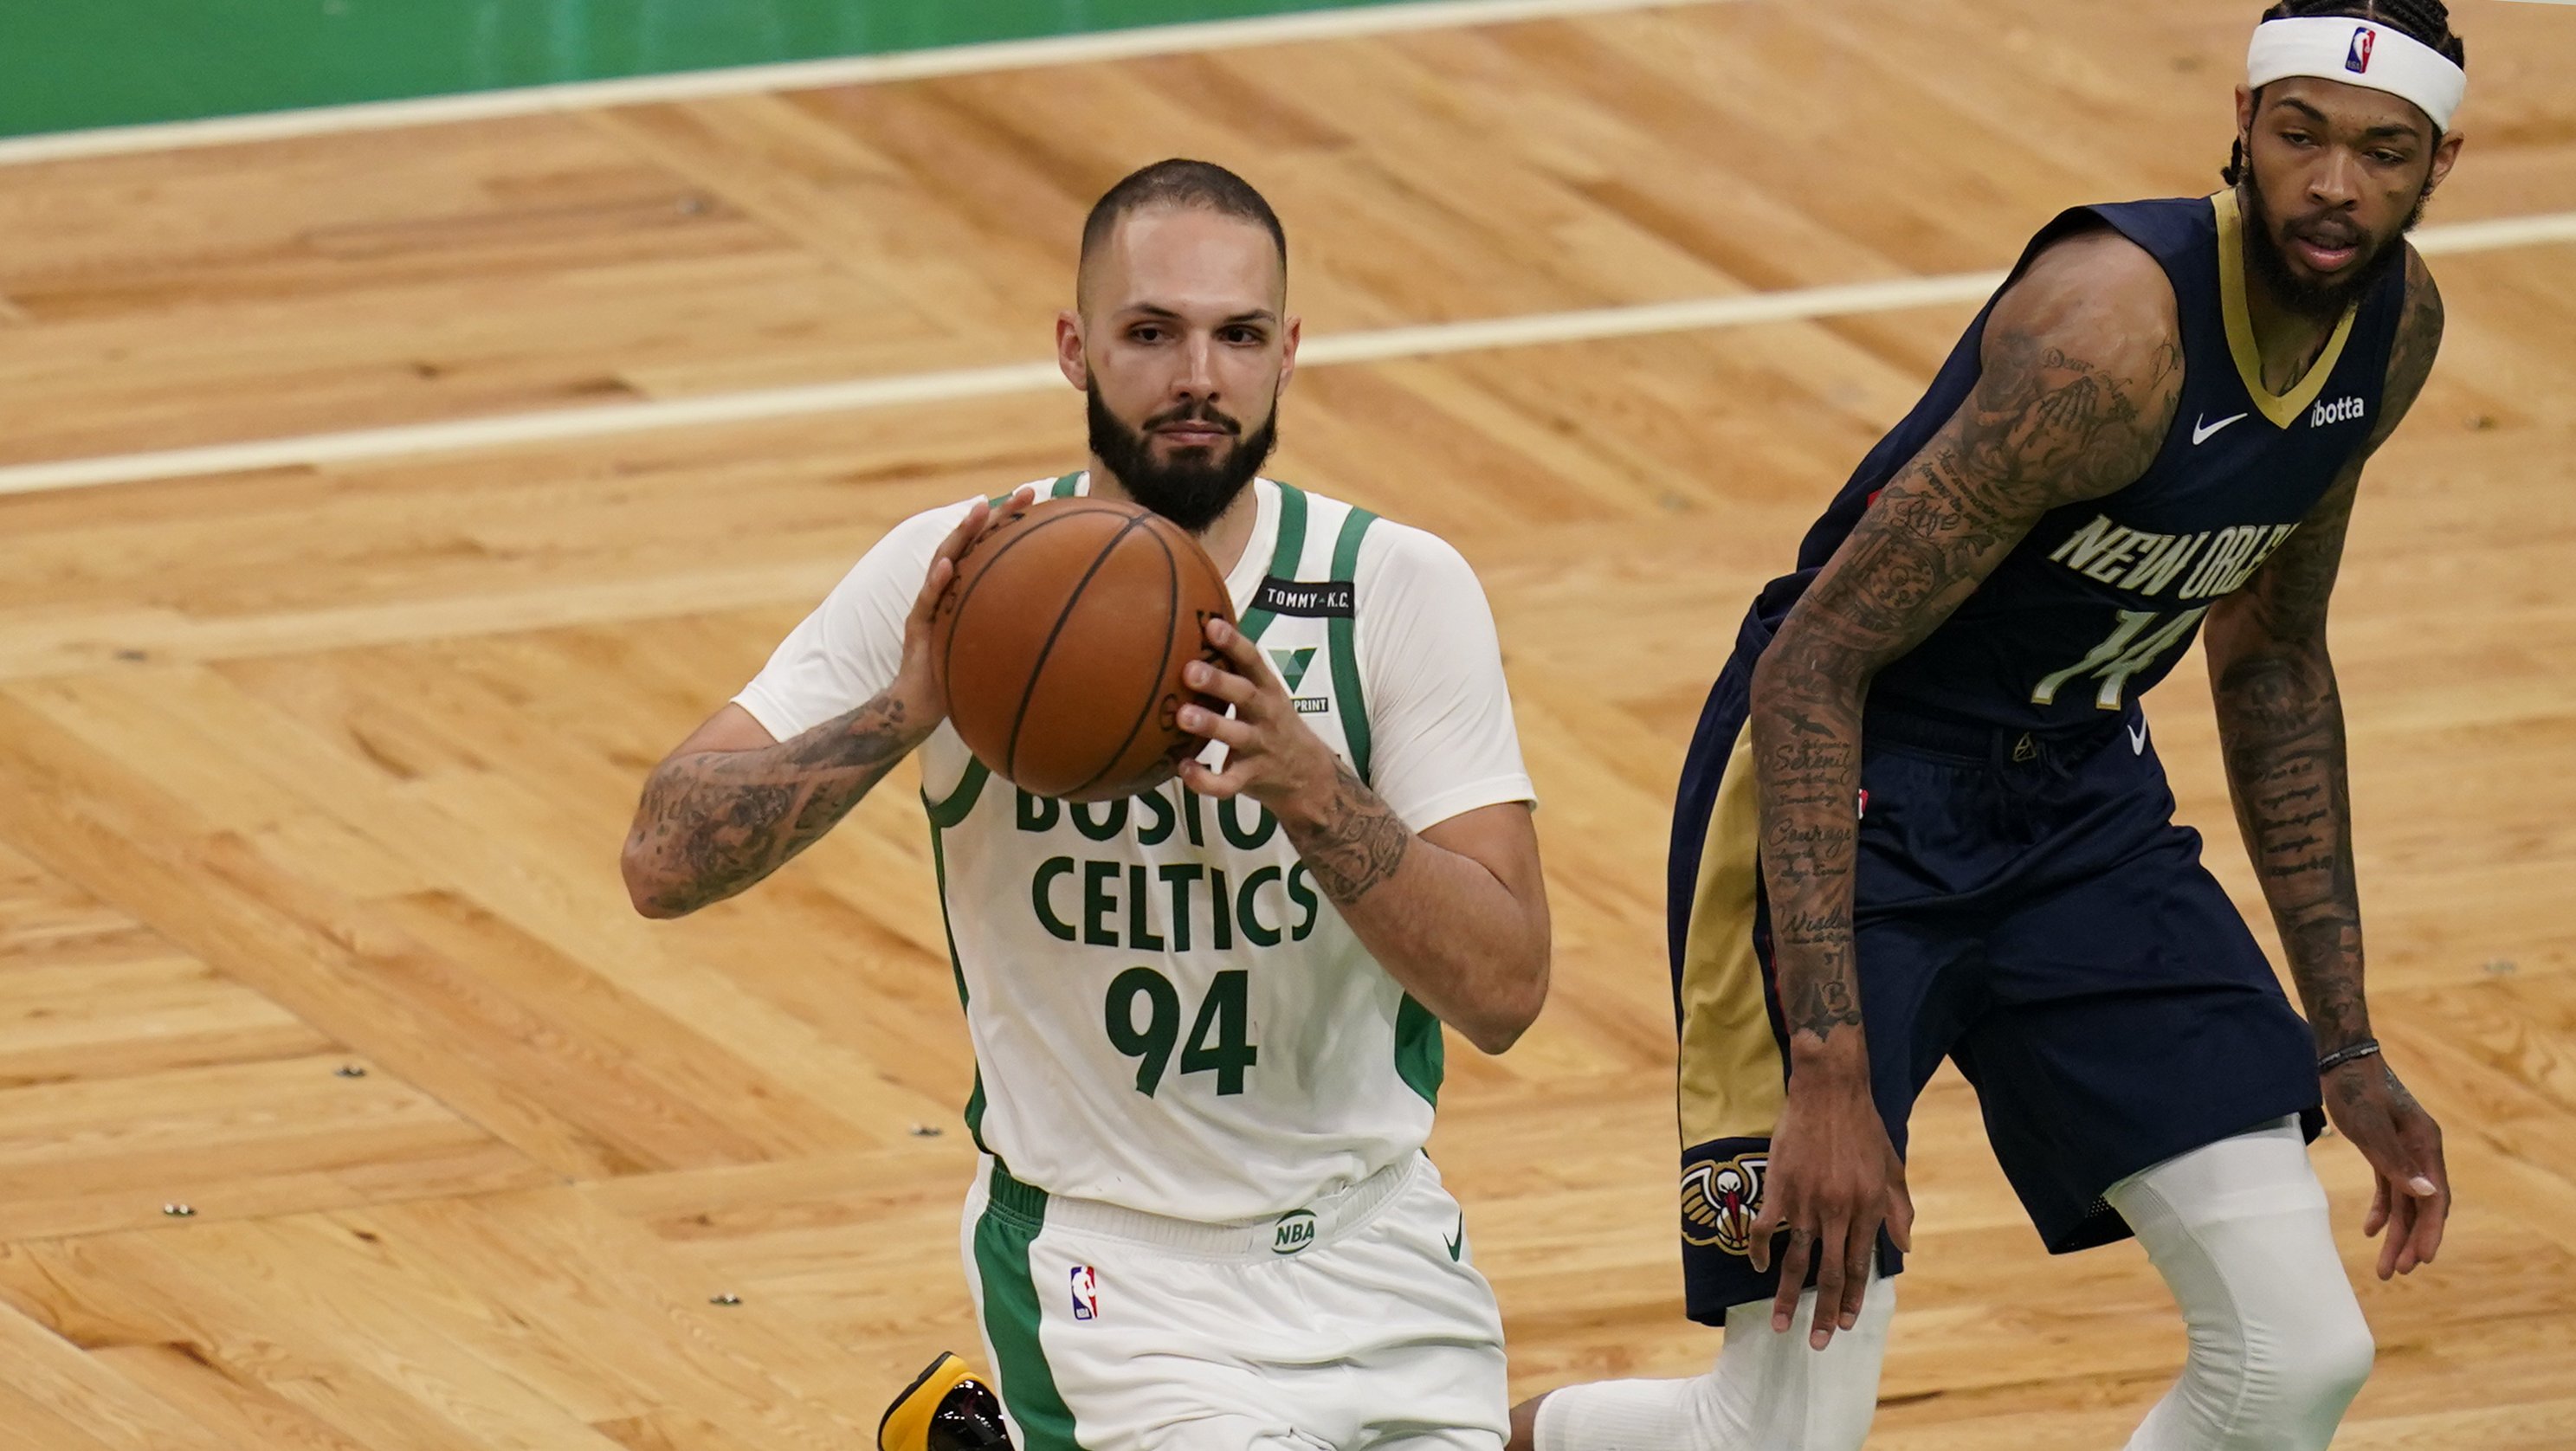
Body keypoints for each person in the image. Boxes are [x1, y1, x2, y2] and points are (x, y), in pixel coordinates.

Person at [1513, 3, 2465, 1448]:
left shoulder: (2393, 336)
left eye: (2381, 151)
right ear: (2244, 124)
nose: (2334, 185)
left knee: (2297, 1356)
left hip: (2079, 803)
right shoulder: (2111, 336)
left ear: (2438, 164)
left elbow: (2272, 659)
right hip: (1850, 801)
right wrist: (1831, 1072)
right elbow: (1813, 669)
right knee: (1776, 1435)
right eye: (2301, 136)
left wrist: (2346, 1036)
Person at [622, 158, 1550, 1451]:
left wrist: (1307, 782)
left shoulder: (1395, 588)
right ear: (1075, 348)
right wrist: (906, 706)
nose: (1198, 378)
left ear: (1289, 353)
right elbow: (661, 857)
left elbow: (1504, 989)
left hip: (1377, 1245)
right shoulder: (961, 576)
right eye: (1151, 332)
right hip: (1111, 1278)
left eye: (1238, 336)